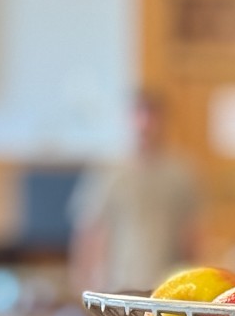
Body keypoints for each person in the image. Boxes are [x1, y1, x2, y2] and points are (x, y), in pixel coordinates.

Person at [69, 90, 201, 298]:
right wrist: (85, 285)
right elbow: (89, 231)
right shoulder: (107, 171)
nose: (145, 125)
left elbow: (192, 234)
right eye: (139, 115)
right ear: (128, 119)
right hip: (116, 288)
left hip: (167, 287)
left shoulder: (181, 173)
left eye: (152, 116)